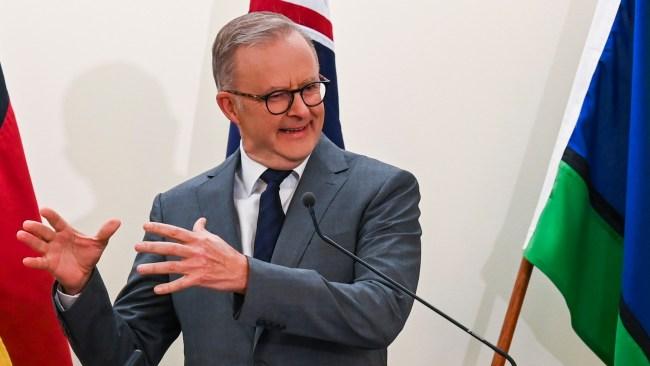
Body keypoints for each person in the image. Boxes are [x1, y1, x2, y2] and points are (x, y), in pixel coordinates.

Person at [17, 12, 421, 366]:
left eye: (310, 88)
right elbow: (127, 355)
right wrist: (80, 287)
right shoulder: (179, 208)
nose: (301, 109)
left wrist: (247, 276)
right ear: (230, 107)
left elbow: (380, 312)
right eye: (278, 96)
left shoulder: (381, 190)